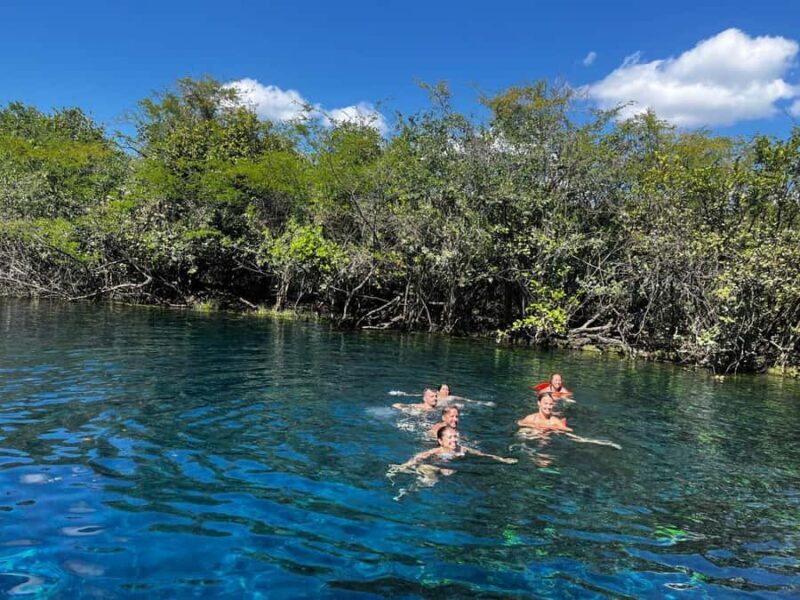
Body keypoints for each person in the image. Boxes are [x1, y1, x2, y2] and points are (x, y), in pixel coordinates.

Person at [393, 426, 517, 474]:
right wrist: (403, 466)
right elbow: (419, 456)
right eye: (450, 437)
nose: (454, 440)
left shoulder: (462, 449)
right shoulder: (437, 451)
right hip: (433, 466)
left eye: (455, 436)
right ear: (441, 441)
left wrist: (503, 460)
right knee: (430, 478)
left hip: (448, 468)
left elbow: (483, 454)